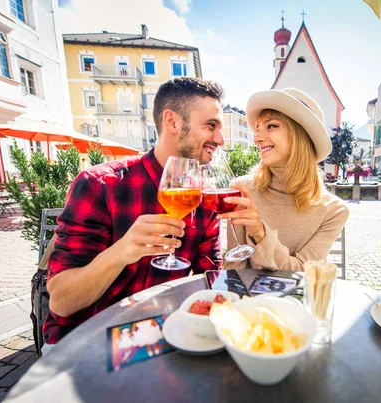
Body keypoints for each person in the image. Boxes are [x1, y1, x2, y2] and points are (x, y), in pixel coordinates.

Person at [42, 77, 225, 349]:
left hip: (156, 334)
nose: (220, 140)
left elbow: (212, 281)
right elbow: (62, 302)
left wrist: (252, 236)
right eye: (211, 126)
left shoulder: (202, 197)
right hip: (87, 339)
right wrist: (122, 251)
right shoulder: (100, 185)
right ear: (172, 122)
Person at [220, 88, 349, 271]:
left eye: (271, 126)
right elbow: (235, 268)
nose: (256, 138)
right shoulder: (242, 189)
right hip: (246, 299)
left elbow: (303, 273)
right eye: (257, 129)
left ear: (301, 135)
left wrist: (260, 233)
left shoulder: (334, 211)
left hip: (296, 299)